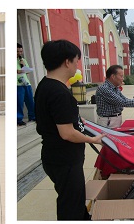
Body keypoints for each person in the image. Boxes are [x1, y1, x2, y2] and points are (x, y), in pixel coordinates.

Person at [34, 40, 103, 221]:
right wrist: (93, 140)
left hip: (55, 156)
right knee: (70, 205)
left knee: (74, 200)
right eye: (76, 61)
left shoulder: (45, 85)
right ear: (67, 62)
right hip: (64, 159)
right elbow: (67, 133)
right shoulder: (59, 92)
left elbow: (59, 120)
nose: (76, 66)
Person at [17, 43, 36, 126]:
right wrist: (21, 70)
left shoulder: (22, 60)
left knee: (30, 101)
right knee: (19, 102)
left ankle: (32, 116)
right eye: (17, 51)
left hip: (26, 83)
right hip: (17, 84)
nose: (19, 53)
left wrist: (23, 66)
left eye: (20, 51)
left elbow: (27, 70)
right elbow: (17, 71)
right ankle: (18, 119)